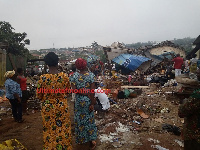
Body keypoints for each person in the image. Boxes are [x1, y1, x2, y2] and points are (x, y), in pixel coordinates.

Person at [36, 52, 72, 150]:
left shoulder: (42, 78)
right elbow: (68, 92)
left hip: (48, 108)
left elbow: (39, 95)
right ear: (57, 62)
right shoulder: (64, 77)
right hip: (61, 107)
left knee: (49, 130)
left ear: (47, 63)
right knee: (63, 129)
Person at [69, 58, 97, 150]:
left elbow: (74, 90)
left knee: (80, 120)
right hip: (88, 100)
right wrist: (92, 103)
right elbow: (92, 91)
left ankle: (81, 140)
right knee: (89, 119)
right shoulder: (91, 76)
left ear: (77, 66)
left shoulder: (73, 76)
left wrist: (81, 92)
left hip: (79, 101)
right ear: (85, 65)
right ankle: (91, 140)